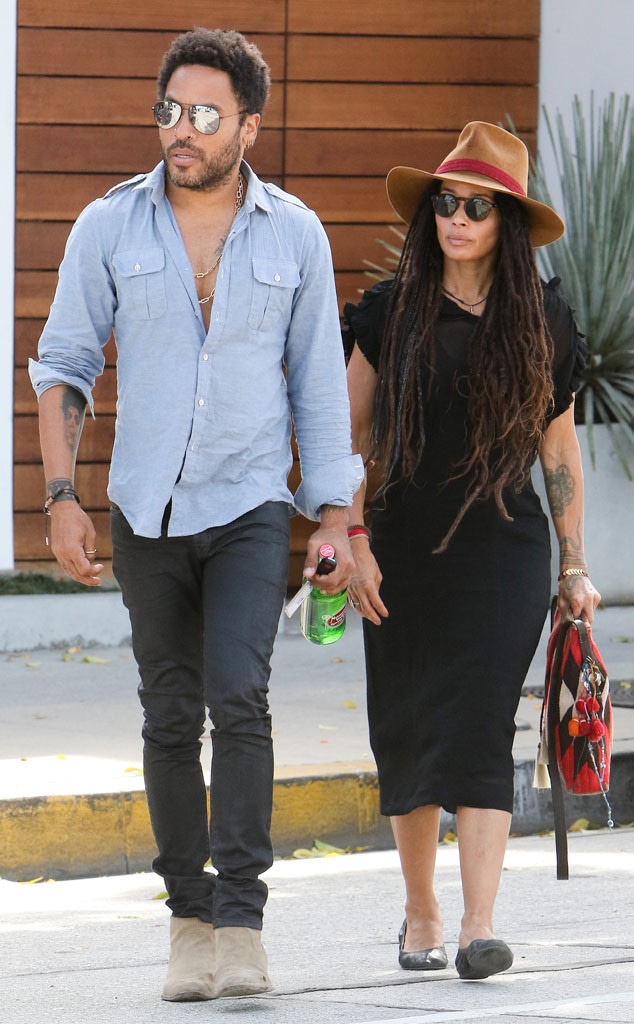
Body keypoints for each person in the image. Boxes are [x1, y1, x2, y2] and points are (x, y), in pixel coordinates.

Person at [29, 28, 362, 1002]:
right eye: (169, 108)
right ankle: (187, 920)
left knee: (238, 696)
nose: (182, 128)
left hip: (252, 504)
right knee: (169, 713)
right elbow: (62, 366)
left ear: (249, 126)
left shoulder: (294, 233)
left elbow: (317, 388)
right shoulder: (109, 226)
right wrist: (60, 497)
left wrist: (334, 514)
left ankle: (244, 920)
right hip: (145, 508)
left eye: (206, 113)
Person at [344, 122, 600, 980]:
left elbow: (559, 454)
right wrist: (345, 539)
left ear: (507, 224)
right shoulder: (390, 311)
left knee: (483, 719)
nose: (456, 219)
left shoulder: (542, 321)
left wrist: (574, 565)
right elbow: (350, 435)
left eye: (476, 207)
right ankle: (420, 911)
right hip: (400, 542)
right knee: (408, 724)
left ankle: (477, 926)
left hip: (503, 546)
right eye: (447, 204)